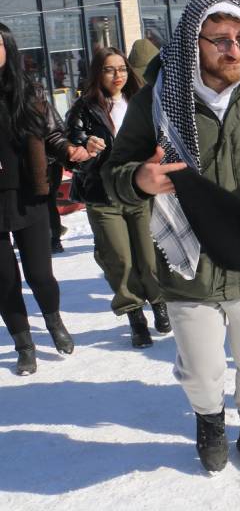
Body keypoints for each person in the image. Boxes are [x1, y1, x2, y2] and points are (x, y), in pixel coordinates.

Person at [103, 0, 240, 472]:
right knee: (202, 370)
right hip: (190, 261)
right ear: (192, 41)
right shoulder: (156, 99)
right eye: (220, 39)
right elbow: (112, 173)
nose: (234, 49)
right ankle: (208, 418)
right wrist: (138, 179)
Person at [0, 23, 89, 376]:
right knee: (4, 279)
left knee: (40, 273)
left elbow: (53, 134)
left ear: (8, 47)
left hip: (30, 193)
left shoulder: (30, 93)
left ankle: (53, 322)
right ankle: (24, 344)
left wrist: (71, 151)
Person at [66, 47, 168, 347]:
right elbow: (70, 147)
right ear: (98, 73)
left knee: (150, 255)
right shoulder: (83, 108)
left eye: (122, 68)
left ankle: (159, 303)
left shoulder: (142, 101)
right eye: (110, 69)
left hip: (139, 191)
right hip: (102, 193)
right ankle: (134, 314)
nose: (117, 75)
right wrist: (85, 144)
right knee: (119, 259)